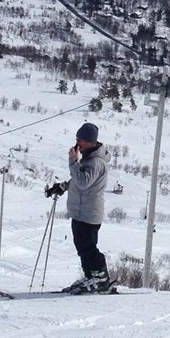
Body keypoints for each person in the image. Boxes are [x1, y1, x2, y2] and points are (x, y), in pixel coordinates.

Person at [45, 122, 113, 293]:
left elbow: (83, 182)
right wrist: (63, 186)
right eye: (76, 139)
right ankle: (91, 276)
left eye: (80, 140)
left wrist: (73, 162)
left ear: (90, 141)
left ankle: (101, 278)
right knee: (82, 247)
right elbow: (79, 179)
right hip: (81, 211)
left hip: (89, 213)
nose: (77, 144)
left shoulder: (96, 162)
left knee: (88, 247)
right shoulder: (89, 158)